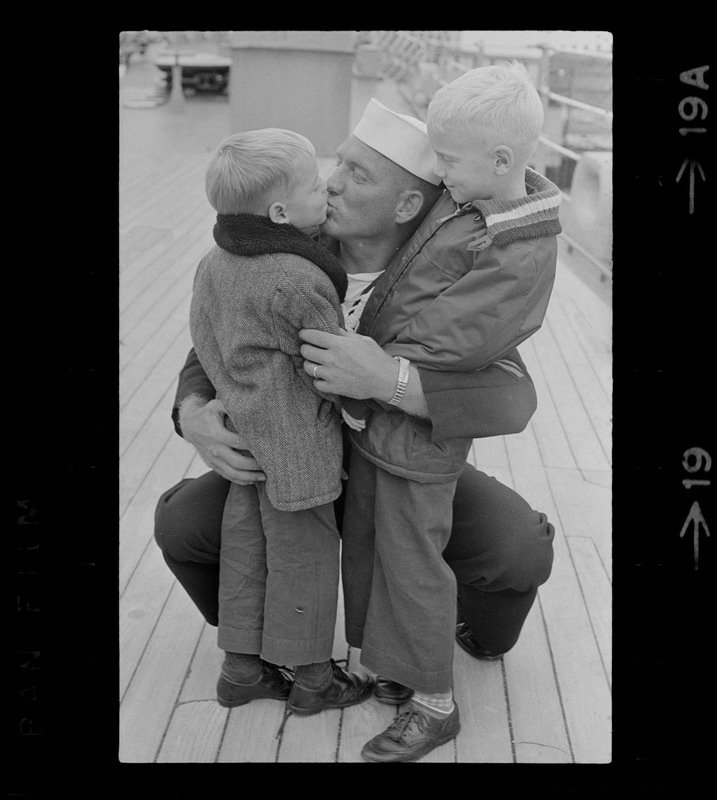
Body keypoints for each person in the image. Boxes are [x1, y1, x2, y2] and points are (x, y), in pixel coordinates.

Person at [154, 92, 555, 754]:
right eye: (333, 165)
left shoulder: (450, 269)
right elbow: (215, 341)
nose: (331, 183)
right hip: (293, 456)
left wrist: (388, 382)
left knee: (518, 550)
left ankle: (477, 633)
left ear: (405, 205)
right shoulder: (286, 237)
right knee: (180, 524)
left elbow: (512, 396)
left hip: (395, 460)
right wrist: (192, 412)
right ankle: (268, 647)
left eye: (355, 174)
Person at [299, 63, 561, 761]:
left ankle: (434, 702)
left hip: (412, 440)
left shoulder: (507, 244)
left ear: (500, 160)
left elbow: (463, 340)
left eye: (449, 163)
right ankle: (392, 666)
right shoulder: (467, 211)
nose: (442, 177)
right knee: (372, 552)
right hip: (371, 432)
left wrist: (378, 374)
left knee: (413, 562)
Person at [189, 128, 374, 714]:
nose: (328, 188)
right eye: (316, 184)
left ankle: (242, 669)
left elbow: (204, 336)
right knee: (305, 555)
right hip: (299, 442)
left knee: (248, 547)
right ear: (279, 211)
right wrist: (358, 409)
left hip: (245, 436)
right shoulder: (296, 278)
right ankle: (315, 679)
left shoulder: (214, 263)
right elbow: (330, 359)